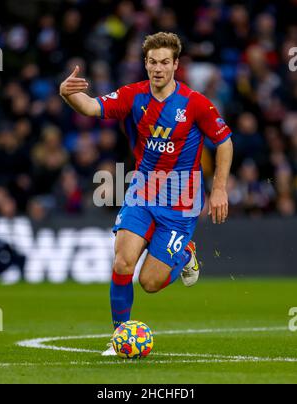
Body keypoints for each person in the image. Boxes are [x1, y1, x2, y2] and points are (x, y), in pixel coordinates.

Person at [59, 32, 233, 356]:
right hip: (142, 191)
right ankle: (118, 337)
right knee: (123, 261)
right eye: (152, 62)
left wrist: (220, 188)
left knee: (150, 283)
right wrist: (67, 94)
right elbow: (91, 106)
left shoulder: (195, 103)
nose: (158, 69)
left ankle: (185, 255)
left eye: (165, 62)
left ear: (176, 65)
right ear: (146, 63)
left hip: (181, 203)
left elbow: (223, 142)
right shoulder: (133, 95)